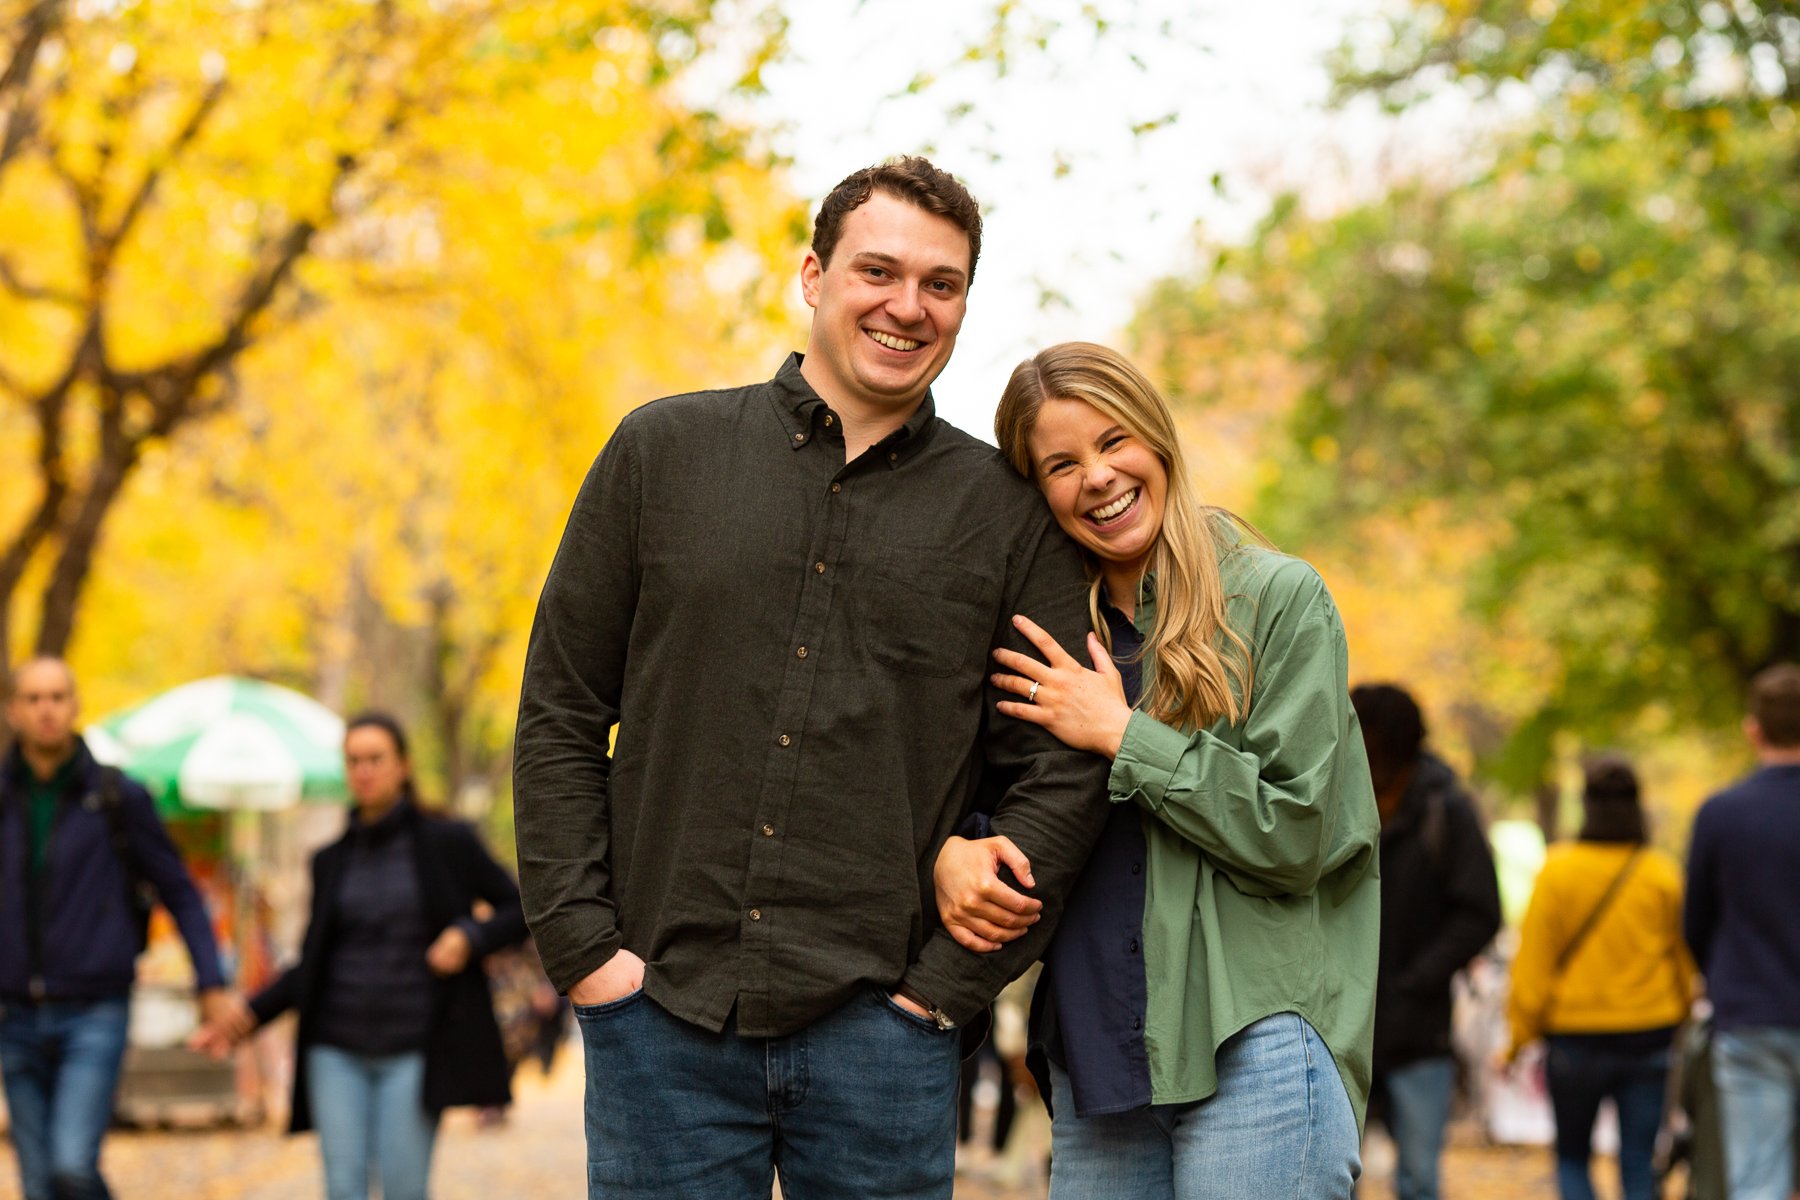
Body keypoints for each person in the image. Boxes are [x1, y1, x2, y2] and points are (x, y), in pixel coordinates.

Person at [512, 155, 1112, 1200]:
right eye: (878, 270)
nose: (907, 306)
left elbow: (1059, 768)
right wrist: (587, 955)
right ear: (813, 275)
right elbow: (561, 711)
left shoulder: (1004, 514)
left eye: (942, 283)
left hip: (887, 1039)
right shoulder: (662, 454)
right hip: (663, 1022)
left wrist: (944, 995)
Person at [933, 342, 1381, 1198]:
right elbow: (996, 802)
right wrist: (955, 852)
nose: (1096, 477)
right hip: (1098, 1057)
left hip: (1252, 1038)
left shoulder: (1277, 600)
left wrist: (1123, 733)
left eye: (1113, 442)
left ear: (1158, 439)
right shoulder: (1042, 637)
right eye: (1060, 464)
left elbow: (1295, 833)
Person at [190, 712, 526, 1200]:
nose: (364, 771)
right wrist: (245, 1016)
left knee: (403, 1190)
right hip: (335, 1046)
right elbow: (310, 965)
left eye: (375, 759)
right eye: (353, 761)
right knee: (343, 1188)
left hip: (414, 1046)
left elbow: (519, 908)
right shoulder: (330, 860)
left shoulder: (446, 842)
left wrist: (469, 936)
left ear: (403, 766)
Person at [0, 656, 233, 1200]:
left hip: (95, 1010)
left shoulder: (115, 797)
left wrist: (211, 981)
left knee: (72, 1167)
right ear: (13, 711)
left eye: (57, 697)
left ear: (75, 706)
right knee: (38, 1185)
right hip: (14, 1015)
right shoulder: (3, 800)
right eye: (33, 699)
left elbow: (178, 889)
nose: (46, 710)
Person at [1503, 756, 1696, 1200]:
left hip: (1575, 1037)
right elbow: (1684, 961)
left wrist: (1517, 1038)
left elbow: (1533, 965)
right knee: (1638, 1161)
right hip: (1649, 1034)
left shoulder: (1557, 872)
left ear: (1586, 806)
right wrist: (1684, 1013)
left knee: (1572, 1157)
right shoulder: (1661, 873)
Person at [1351, 682, 1502, 1200]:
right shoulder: (1333, 792)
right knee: (1332, 1176)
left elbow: (1480, 912)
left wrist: (1417, 978)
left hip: (1420, 1031)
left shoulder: (1445, 808)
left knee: (1418, 1178)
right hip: (1343, 1028)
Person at [1684, 661, 1800, 1200]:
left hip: (1750, 1015)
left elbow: (1696, 921)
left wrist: (1723, 978)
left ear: (1753, 730)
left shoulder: (1722, 814)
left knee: (1758, 1178)